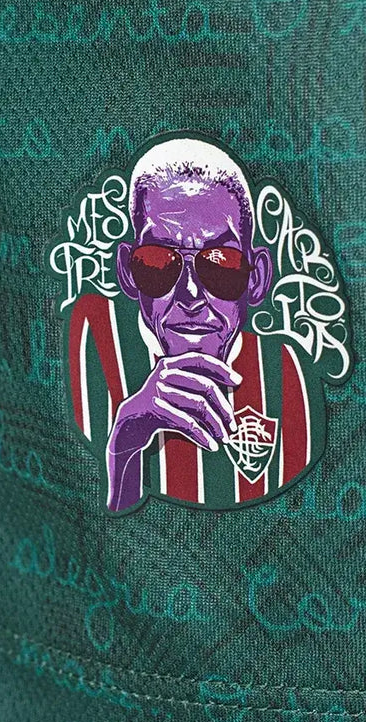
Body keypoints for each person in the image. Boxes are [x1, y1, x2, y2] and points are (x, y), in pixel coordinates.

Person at [66, 135, 323, 512]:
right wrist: (125, 446)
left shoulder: (286, 374)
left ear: (256, 279)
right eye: (157, 262)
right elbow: (104, 525)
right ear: (127, 272)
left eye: (220, 264)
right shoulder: (95, 343)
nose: (190, 294)